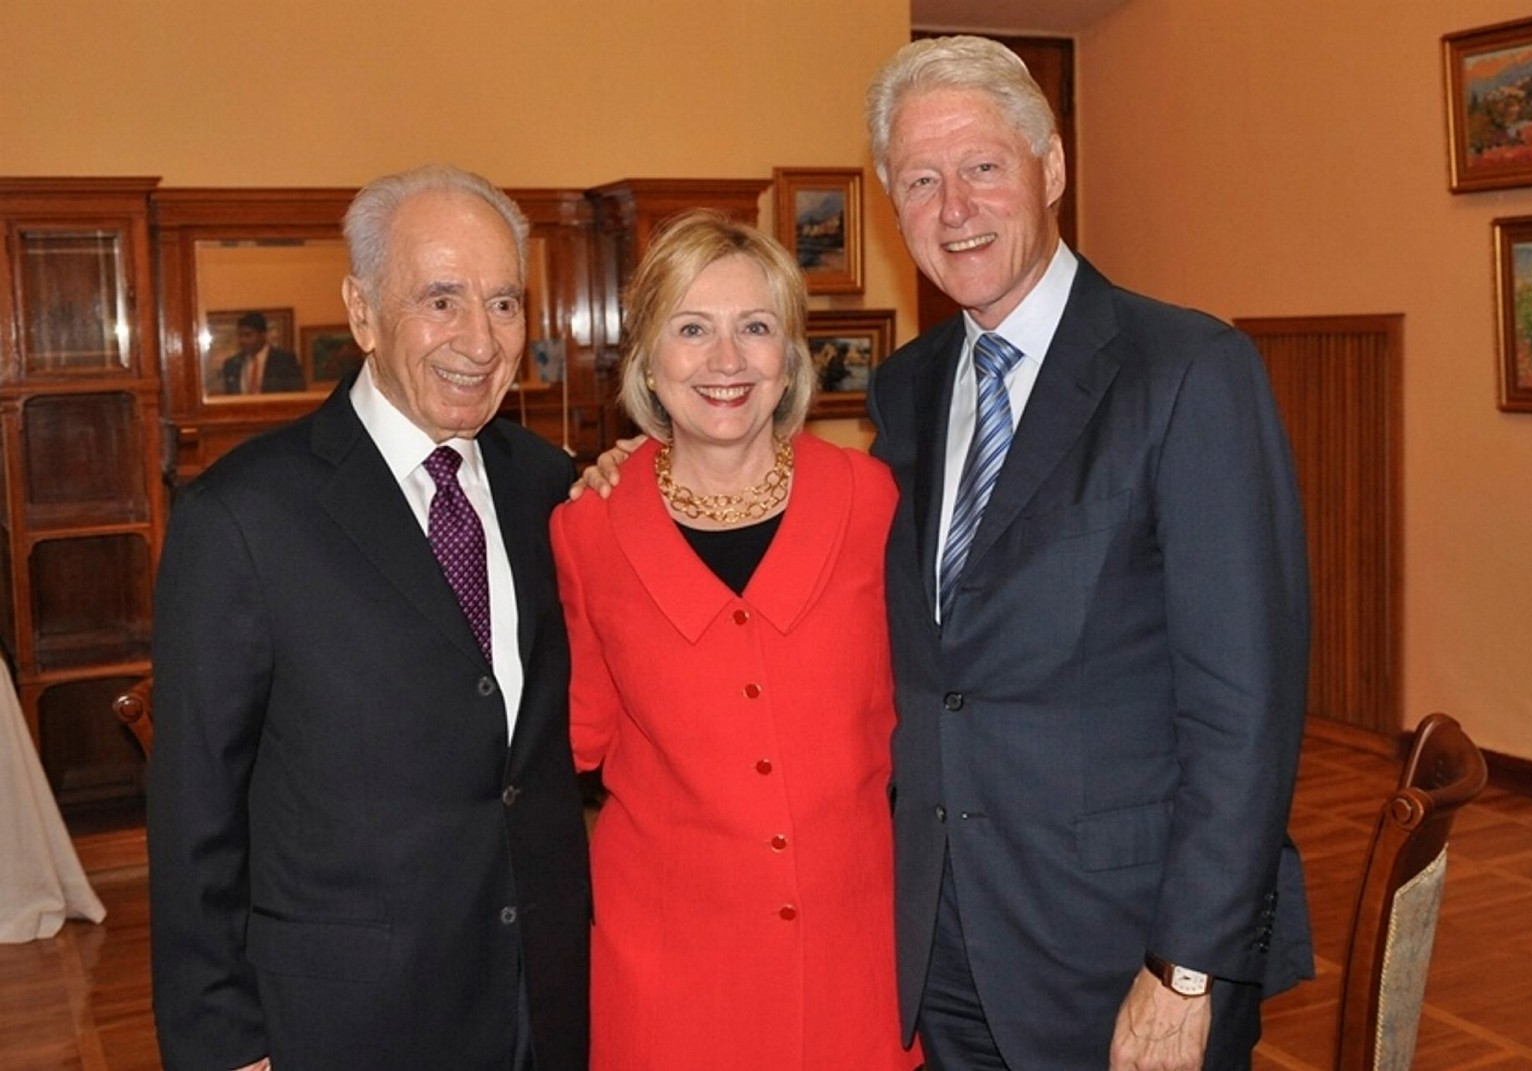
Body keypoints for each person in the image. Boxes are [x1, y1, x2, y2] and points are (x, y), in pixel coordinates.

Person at [865, 36, 1313, 1070]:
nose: (954, 208)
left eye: (982, 167)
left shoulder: (1188, 371)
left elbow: (1245, 708)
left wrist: (1186, 968)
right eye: (920, 181)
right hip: (945, 942)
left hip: (1126, 954)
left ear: (1051, 168)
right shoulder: (907, 389)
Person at [147, 164, 590, 1071]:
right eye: (441, 299)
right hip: (346, 1022)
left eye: (504, 303)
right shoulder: (243, 516)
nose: (480, 338)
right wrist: (222, 1041)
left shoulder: (553, 489)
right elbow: (194, 813)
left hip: (539, 1001)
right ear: (361, 312)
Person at [550, 210, 917, 1070]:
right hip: (667, 977)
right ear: (646, 357)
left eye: (755, 328)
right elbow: (577, 738)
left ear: (790, 356)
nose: (725, 361)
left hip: (850, 964)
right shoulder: (587, 531)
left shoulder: (873, 503)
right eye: (692, 329)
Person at [221, 311, 307, 393]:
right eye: (240, 336)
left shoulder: (285, 361)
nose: (242, 340)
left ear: (262, 335)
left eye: (247, 335)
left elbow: (297, 393)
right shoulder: (231, 365)